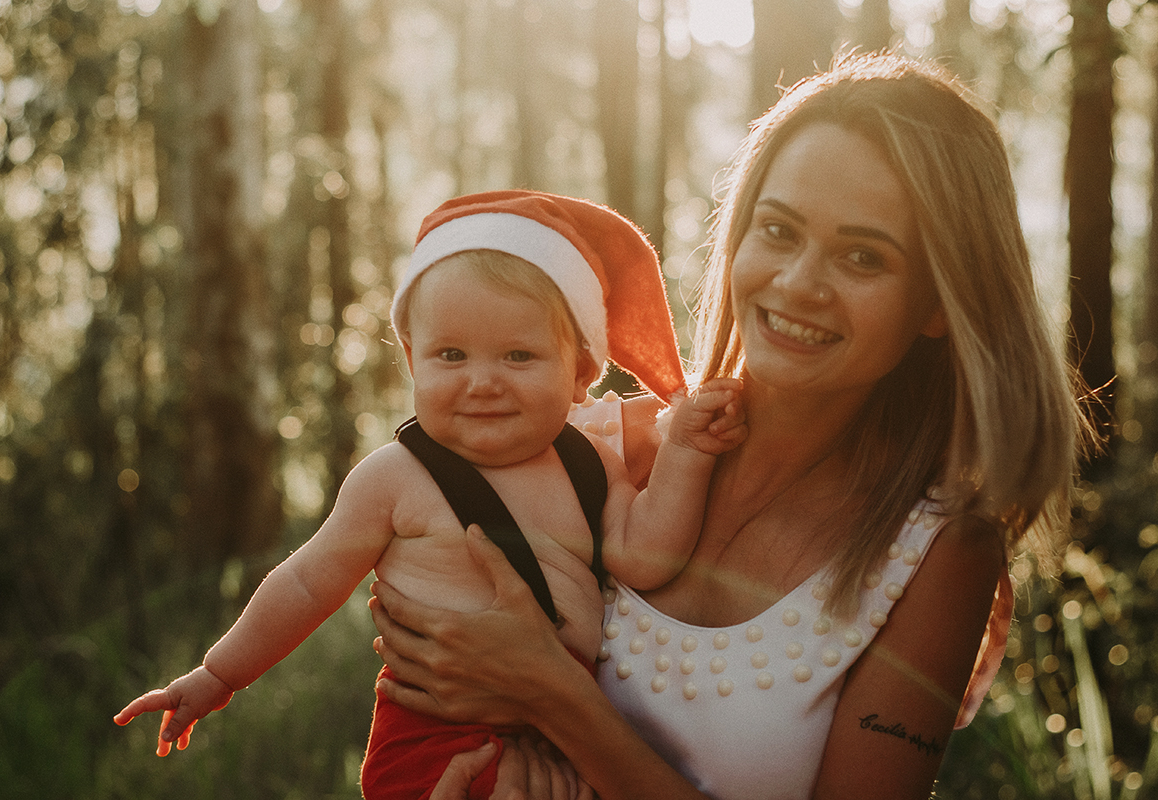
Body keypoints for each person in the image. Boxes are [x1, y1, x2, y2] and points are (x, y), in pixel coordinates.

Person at [367, 52, 1094, 799]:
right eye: (778, 231)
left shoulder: (938, 554)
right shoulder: (592, 448)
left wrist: (557, 696)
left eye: (861, 256)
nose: (798, 283)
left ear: (941, 301)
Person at [113, 190, 746, 799]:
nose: (482, 382)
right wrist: (220, 674)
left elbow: (647, 558)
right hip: (432, 733)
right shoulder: (393, 479)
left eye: (519, 356)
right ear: (414, 363)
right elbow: (308, 581)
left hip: (565, 724)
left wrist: (686, 455)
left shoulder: (591, 466)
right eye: (451, 355)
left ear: (580, 372)